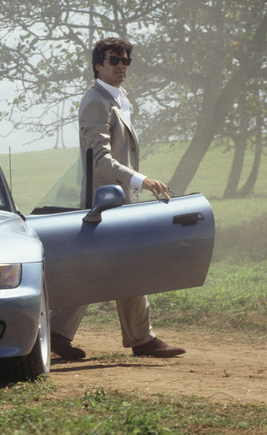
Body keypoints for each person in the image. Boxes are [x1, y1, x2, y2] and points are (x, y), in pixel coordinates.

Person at [50, 37, 185, 360]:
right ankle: (141, 339)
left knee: (112, 267)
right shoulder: (96, 101)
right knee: (126, 264)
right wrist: (141, 180)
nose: (121, 66)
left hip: (116, 200)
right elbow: (99, 160)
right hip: (104, 202)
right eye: (114, 60)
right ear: (98, 65)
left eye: (126, 61)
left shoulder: (117, 99)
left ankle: (59, 332)